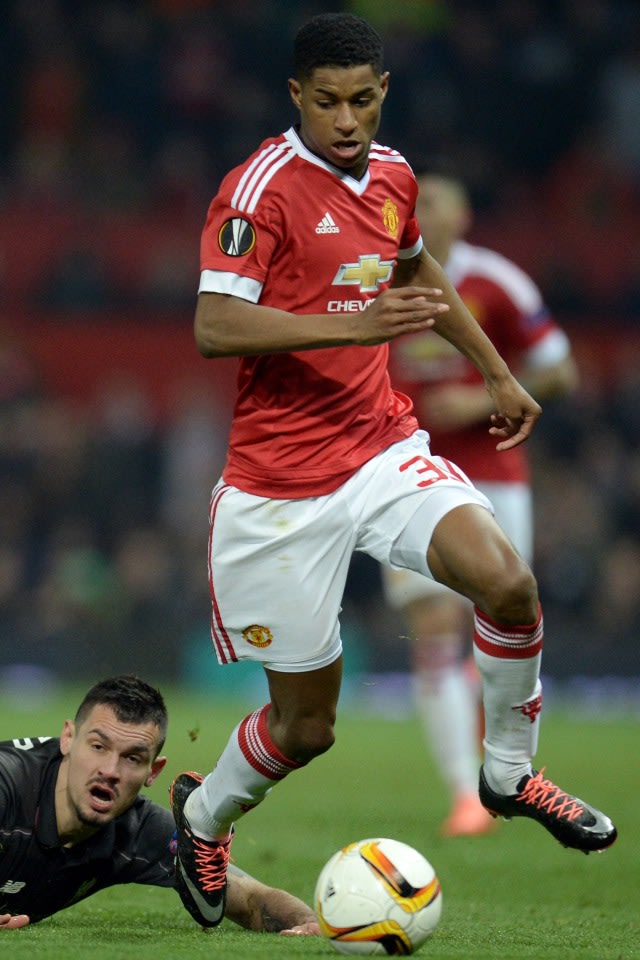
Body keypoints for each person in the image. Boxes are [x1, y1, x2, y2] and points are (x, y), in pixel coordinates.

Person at [170, 12, 616, 929]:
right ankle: (203, 819)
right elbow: (215, 327)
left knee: (509, 584)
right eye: (326, 101)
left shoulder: (395, 174)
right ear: (296, 96)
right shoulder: (258, 190)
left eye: (362, 99)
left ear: (382, 93)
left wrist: (495, 369)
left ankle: (507, 774)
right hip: (278, 491)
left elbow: (417, 272)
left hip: (381, 450)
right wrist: (351, 326)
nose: (346, 117)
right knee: (307, 730)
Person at [382, 172, 580, 838]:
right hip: (404, 475)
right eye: (412, 201)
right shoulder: (375, 275)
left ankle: (510, 769)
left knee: (503, 615)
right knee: (435, 625)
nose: (420, 210)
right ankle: (465, 794)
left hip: (494, 472)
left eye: (433, 200)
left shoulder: (497, 282)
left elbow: (560, 366)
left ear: (464, 215)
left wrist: (482, 396)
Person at [0, 675, 318, 935]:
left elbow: (250, 898)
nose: (110, 771)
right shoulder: (9, 785)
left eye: (132, 758)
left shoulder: (138, 829)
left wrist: (309, 924)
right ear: (68, 739)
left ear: (153, 771)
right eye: (98, 746)